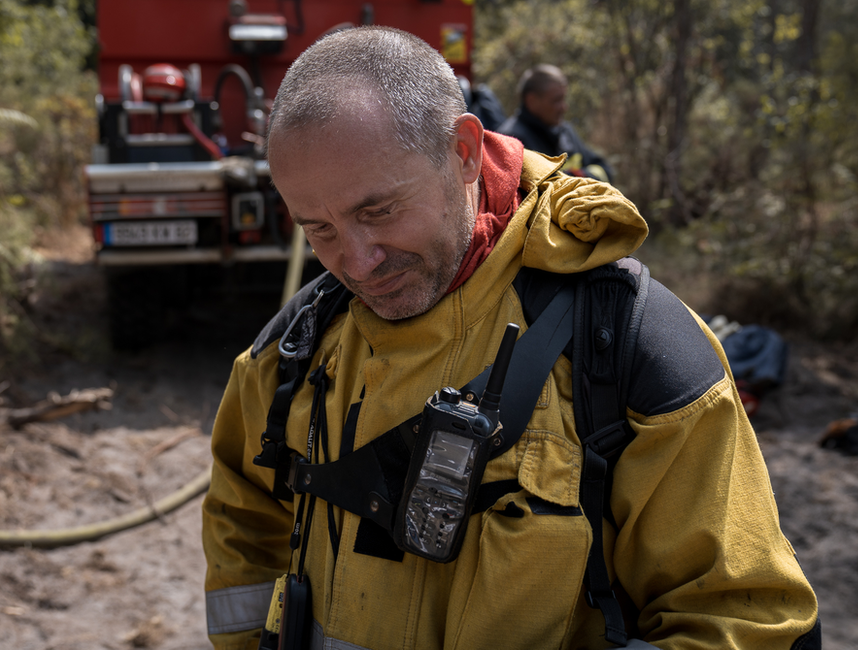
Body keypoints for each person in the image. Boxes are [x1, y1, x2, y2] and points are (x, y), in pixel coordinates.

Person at [202, 26, 820, 650]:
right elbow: (243, 543)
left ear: (465, 151)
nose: (357, 263)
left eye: (378, 211)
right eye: (319, 229)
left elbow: (749, 623)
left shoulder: (632, 350)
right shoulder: (288, 356)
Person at [498, 63, 614, 184]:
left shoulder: (565, 131)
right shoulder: (511, 142)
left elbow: (604, 169)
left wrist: (581, 177)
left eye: (563, 99)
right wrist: (575, 180)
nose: (564, 107)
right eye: (556, 100)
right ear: (531, 100)